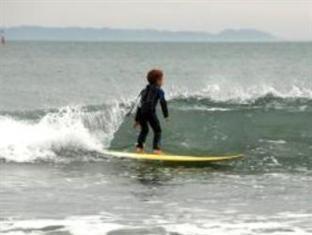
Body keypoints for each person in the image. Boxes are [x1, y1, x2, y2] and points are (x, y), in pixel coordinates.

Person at [134, 69, 169, 154]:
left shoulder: (144, 90)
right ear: (158, 81)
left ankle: (139, 147)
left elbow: (139, 104)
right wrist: (166, 115)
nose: (163, 81)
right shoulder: (159, 91)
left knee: (144, 130)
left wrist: (137, 119)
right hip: (150, 112)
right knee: (157, 131)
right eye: (162, 79)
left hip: (142, 112)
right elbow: (163, 103)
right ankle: (156, 149)